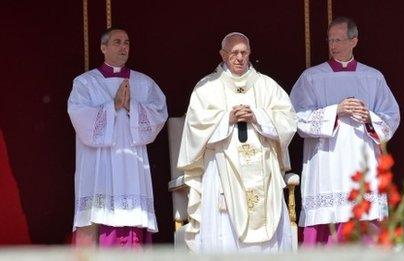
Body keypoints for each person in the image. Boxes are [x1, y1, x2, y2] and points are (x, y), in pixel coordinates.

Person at [177, 32, 297, 253]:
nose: (240, 58)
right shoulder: (206, 88)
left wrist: (258, 116)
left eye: (244, 52)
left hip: (263, 170)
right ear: (223, 55)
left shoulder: (267, 86)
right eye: (234, 53)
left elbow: (288, 121)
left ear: (250, 53)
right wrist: (226, 119)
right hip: (223, 168)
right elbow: (195, 128)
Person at [290, 17, 400, 246]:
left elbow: (391, 117)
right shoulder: (312, 77)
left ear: (354, 41)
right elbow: (295, 117)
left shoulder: (373, 77)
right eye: (330, 40)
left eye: (338, 39)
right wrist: (335, 111)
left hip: (362, 161)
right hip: (327, 162)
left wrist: (370, 117)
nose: (333, 45)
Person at [67, 27, 168, 247]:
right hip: (99, 164)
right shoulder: (85, 83)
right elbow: (79, 117)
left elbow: (159, 113)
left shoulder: (143, 83)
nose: (123, 47)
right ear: (103, 48)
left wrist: (132, 105)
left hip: (132, 162)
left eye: (127, 42)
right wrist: (112, 105)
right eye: (117, 42)